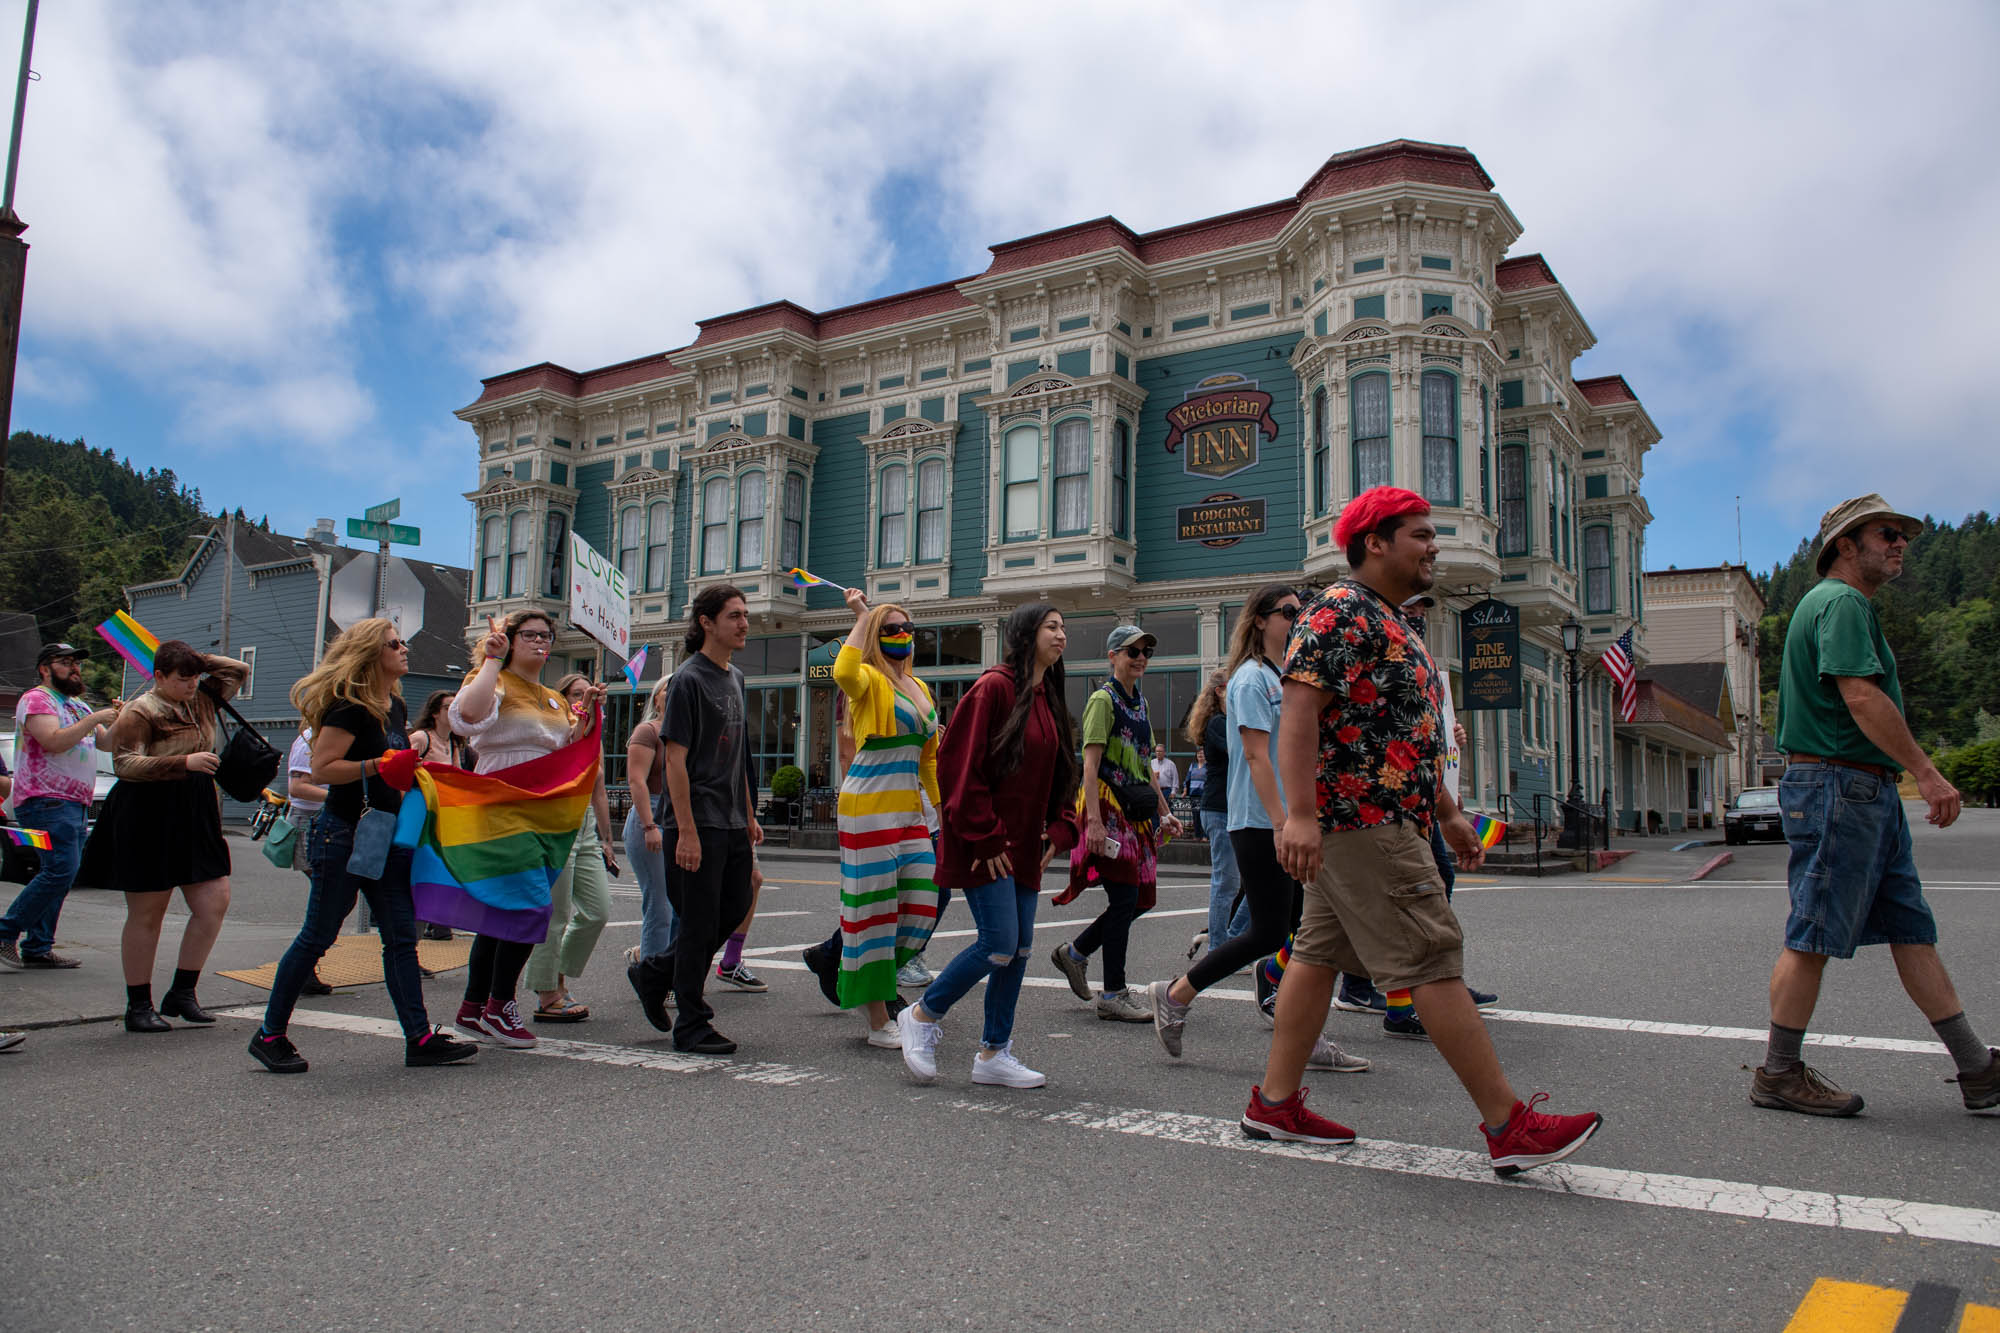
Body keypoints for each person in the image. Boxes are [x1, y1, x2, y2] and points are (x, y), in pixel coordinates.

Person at [1250, 486, 1603, 1176]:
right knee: (1433, 954)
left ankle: (1274, 1101)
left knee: (1318, 956)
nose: (1433, 545)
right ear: (1374, 542)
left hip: (1386, 816)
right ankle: (1509, 1123)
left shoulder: (1393, 622)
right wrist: (1298, 814)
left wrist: (1446, 812)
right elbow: (1298, 709)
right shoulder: (1341, 610)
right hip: (1364, 823)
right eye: (1420, 534)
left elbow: (1402, 736)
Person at [1755, 494, 1998, 1115]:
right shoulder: (1840, 603)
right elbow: (1860, 697)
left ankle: (1977, 1068)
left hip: (1860, 788)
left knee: (1912, 930)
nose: (1900, 544)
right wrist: (1928, 772)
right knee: (1812, 933)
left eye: (1903, 536)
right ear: (1845, 544)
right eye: (1887, 533)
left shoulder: (1840, 605)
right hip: (1840, 785)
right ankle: (1778, 1073)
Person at [1148, 584, 1367, 1073]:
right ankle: (1177, 993)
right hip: (1260, 821)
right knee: (1275, 930)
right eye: (1288, 612)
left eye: (1300, 612)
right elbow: (1254, 754)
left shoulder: (1286, 677)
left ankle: (1296, 1030)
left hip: (1288, 820)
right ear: (1261, 620)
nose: (1296, 618)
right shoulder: (1250, 679)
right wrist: (1282, 823)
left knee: (1300, 932)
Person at [249, 619, 478, 1074]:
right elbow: (321, 768)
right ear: (374, 654)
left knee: (399, 939)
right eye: (396, 643)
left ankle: (419, 1037)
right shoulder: (350, 707)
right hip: (345, 834)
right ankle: (269, 1034)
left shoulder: (390, 704)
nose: (405, 648)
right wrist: (380, 764)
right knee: (318, 936)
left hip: (384, 833)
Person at [897, 603, 1078, 1087]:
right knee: (998, 942)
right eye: (1052, 627)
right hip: (987, 843)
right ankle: (921, 1016)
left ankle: (993, 1053)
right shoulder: (992, 687)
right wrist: (985, 834)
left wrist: (1060, 831)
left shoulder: (1048, 695)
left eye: (1064, 627)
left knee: (1018, 949)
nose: (1062, 635)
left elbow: (1064, 773)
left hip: (1022, 847)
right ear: (1026, 635)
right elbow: (959, 766)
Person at [448, 610, 606, 1050]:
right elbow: (466, 718)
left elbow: (569, 752)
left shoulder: (553, 699)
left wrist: (588, 714)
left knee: (504, 912)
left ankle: (474, 1008)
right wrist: (492, 662)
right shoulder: (492, 679)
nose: (540, 642)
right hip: (502, 806)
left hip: (543, 811)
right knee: (530, 908)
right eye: (530, 635)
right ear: (510, 640)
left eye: (547, 636)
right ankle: (499, 1006)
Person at [79, 641, 248, 1033]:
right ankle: (138, 1004)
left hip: (196, 806)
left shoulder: (203, 697)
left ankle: (183, 992)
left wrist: (195, 660)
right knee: (148, 911)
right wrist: (182, 761)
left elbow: (238, 671)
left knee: (214, 901)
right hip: (148, 807)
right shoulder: (143, 710)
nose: (191, 685)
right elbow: (124, 763)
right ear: (157, 677)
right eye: (181, 679)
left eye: (194, 678)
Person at [826, 588, 942, 1048]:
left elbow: (929, 760)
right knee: (872, 913)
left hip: (909, 808)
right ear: (877, 635)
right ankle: (876, 1016)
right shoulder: (868, 680)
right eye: (891, 628)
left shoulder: (920, 687)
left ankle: (859, 975)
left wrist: (940, 812)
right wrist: (862, 615)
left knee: (921, 903)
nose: (902, 634)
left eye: (908, 628)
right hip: (867, 806)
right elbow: (842, 670)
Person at [1050, 626, 1183, 1021]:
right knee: (1125, 898)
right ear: (1112, 656)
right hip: (1108, 809)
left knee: (1138, 897)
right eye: (1132, 651)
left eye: (1146, 652)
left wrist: (1165, 812)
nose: (1140, 657)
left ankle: (1075, 953)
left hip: (1135, 812)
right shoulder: (1101, 700)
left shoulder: (1139, 702)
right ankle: (1113, 993)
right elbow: (1088, 766)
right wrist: (1092, 821)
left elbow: (1145, 767)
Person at [656, 584, 763, 1055]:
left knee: (735, 905)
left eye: (745, 615)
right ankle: (692, 1024)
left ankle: (655, 971)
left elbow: (737, 754)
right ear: (706, 622)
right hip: (696, 821)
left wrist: (749, 814)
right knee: (698, 924)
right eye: (734, 616)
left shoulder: (735, 677)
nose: (743, 623)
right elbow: (674, 760)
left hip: (733, 820)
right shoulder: (688, 680)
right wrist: (687, 832)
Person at [0, 643, 119, 972]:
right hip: (45, 799)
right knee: (59, 871)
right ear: (44, 668)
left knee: (60, 874)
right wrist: (96, 717)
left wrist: (119, 719)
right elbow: (52, 740)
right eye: (65, 663)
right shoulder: (37, 698)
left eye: (76, 663)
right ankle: (5, 931)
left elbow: (106, 743)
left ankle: (38, 947)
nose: (74, 668)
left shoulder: (77, 704)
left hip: (72, 803)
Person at [524, 672, 621, 1023]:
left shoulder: (593, 737)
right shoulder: (556, 731)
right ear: (561, 697)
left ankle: (558, 975)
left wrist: (607, 839)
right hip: (556, 824)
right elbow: (568, 758)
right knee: (557, 913)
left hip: (586, 828)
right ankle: (548, 991)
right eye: (577, 694)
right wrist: (586, 713)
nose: (584, 698)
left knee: (597, 911)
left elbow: (598, 788)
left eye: (588, 693)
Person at [623, 675, 678, 1031]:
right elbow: (636, 781)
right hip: (650, 818)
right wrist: (649, 826)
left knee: (678, 905)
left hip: (675, 819)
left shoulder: (684, 733)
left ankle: (657, 967)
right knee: (659, 904)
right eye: (668, 692)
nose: (674, 697)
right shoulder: (647, 732)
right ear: (656, 699)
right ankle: (653, 976)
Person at [1187, 668, 1246, 956]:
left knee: (1250, 882)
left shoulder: (1227, 721)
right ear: (1220, 691)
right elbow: (1244, 751)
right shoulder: (1218, 723)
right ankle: (1221, 949)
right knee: (1227, 882)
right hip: (1219, 808)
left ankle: (1232, 940)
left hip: (1231, 809)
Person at [282, 722, 339, 995]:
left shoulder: (330, 736)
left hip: (323, 821)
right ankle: (302, 967)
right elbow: (298, 787)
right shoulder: (310, 739)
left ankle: (305, 967)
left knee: (331, 899)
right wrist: (339, 797)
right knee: (327, 898)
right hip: (310, 821)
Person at [405, 690, 461, 942]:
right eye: (449, 707)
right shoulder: (420, 738)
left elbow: (458, 781)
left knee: (429, 882)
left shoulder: (453, 743)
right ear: (435, 712)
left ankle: (415, 945)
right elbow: (403, 775)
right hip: (417, 817)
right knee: (415, 882)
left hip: (439, 819)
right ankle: (408, 947)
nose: (454, 712)